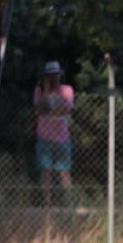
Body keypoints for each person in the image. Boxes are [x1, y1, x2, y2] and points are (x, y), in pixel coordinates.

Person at [34, 61, 74, 207]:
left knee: (64, 171)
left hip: (62, 137)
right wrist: (46, 90)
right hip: (44, 136)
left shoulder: (67, 90)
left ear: (59, 75)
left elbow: (67, 109)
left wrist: (49, 111)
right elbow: (39, 109)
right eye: (50, 75)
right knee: (46, 172)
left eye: (55, 75)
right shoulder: (39, 91)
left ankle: (69, 202)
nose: (53, 78)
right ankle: (47, 203)